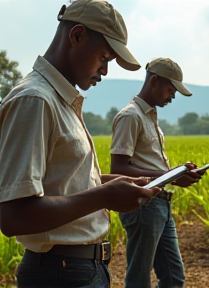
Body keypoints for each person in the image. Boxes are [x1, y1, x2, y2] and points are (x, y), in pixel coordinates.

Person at [0, 1, 160, 287]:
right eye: (104, 57)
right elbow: (13, 216)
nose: (106, 71)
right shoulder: (35, 100)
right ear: (77, 36)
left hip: (81, 269)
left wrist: (112, 183)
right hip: (60, 272)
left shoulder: (61, 100)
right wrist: (104, 196)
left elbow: (62, 183)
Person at [110, 57, 202, 288]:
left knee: (173, 277)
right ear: (154, 81)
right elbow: (119, 168)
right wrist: (171, 175)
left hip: (161, 203)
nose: (172, 96)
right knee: (139, 278)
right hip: (143, 205)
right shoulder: (130, 117)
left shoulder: (150, 117)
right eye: (170, 90)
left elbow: (148, 163)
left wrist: (176, 173)